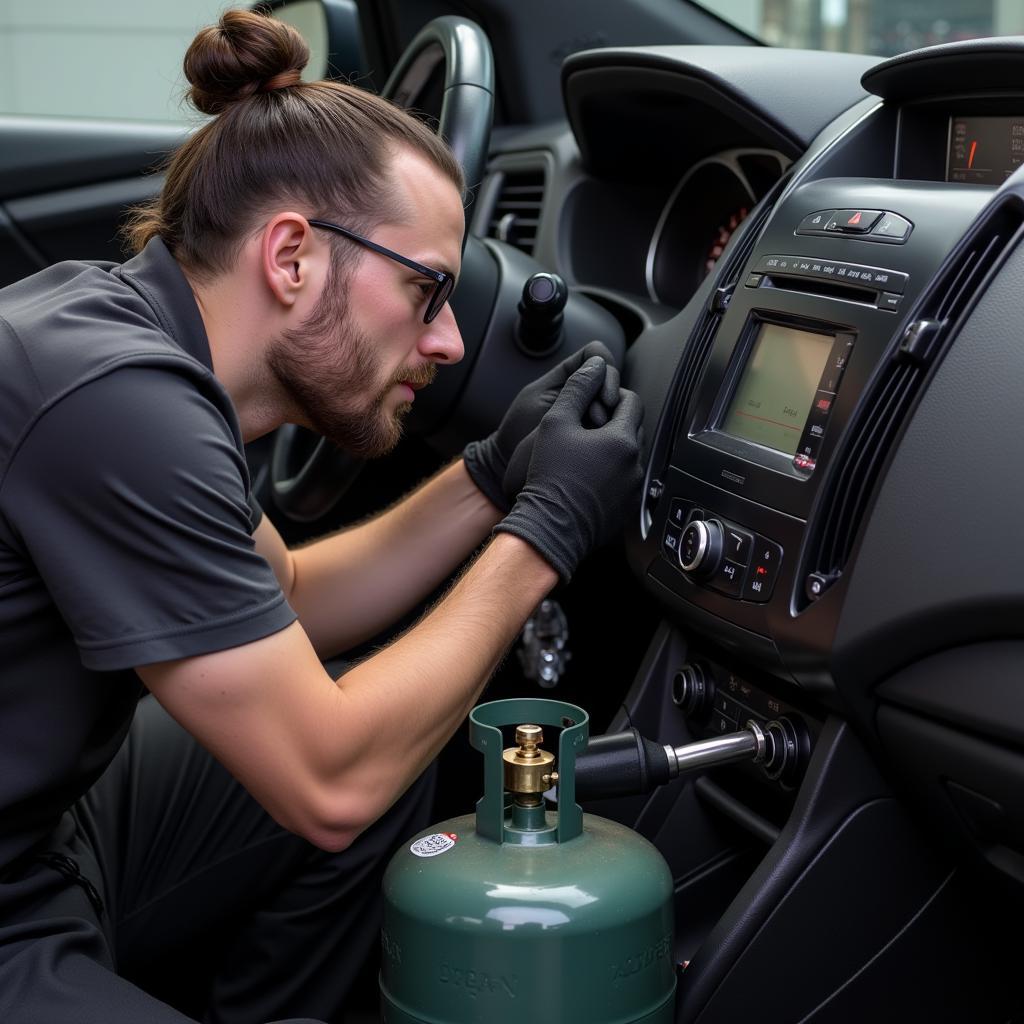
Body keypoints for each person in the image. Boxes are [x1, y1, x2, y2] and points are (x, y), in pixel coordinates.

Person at [0, 9, 643, 1023]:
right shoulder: (114, 402)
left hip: (41, 831)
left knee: (384, 734)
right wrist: (547, 533)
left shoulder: (125, 335)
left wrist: (490, 477)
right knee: (358, 763)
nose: (444, 344)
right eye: (426, 290)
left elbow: (291, 596)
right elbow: (330, 777)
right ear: (292, 255)